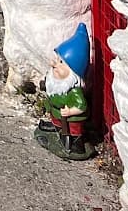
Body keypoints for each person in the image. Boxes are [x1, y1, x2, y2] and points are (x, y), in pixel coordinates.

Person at [34, 23, 95, 161]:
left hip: (71, 118)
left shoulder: (73, 91)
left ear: (73, 73)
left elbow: (82, 106)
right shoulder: (56, 83)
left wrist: (70, 112)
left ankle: (77, 144)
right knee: (57, 119)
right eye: (58, 60)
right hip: (57, 113)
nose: (55, 65)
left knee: (74, 130)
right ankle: (56, 127)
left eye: (62, 63)